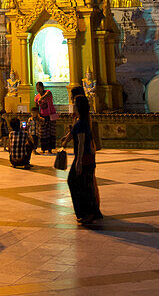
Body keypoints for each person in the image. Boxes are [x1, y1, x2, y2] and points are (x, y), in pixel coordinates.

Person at [67, 94, 101, 225]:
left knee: (79, 184)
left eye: (75, 104)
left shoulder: (82, 122)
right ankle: (86, 212)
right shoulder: (81, 121)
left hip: (84, 158)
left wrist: (79, 162)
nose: (73, 106)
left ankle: (88, 212)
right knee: (83, 184)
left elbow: (81, 143)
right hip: (86, 157)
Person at [35, 81, 58, 152]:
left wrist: (41, 98)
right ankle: (44, 148)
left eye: (39, 88)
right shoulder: (36, 97)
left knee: (51, 132)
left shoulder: (48, 92)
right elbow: (36, 108)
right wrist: (39, 116)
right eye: (37, 88)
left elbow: (48, 94)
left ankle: (50, 149)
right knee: (43, 133)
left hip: (51, 114)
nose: (38, 89)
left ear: (43, 88)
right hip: (43, 115)